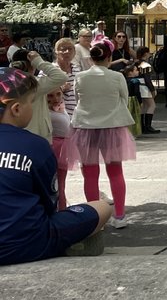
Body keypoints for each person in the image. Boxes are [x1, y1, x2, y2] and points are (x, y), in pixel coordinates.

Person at [0, 68, 112, 266]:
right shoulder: (35, 145)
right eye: (32, 102)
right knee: (102, 207)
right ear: (16, 109)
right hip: (25, 244)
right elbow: (49, 205)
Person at [69, 42, 137, 229]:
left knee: (90, 174)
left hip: (85, 127)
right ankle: (120, 216)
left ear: (91, 58)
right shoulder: (117, 76)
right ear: (109, 58)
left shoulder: (81, 77)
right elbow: (124, 97)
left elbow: (77, 99)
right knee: (115, 172)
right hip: (112, 126)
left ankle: (94, 218)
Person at [6, 48, 68, 144]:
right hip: (37, 136)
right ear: (32, 65)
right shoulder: (34, 85)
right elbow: (61, 77)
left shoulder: (6, 83)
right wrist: (39, 61)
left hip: (15, 134)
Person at [133, 46, 160, 133]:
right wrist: (152, 89)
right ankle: (148, 126)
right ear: (145, 54)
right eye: (148, 52)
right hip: (144, 87)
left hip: (138, 86)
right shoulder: (145, 65)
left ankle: (142, 126)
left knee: (144, 106)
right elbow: (147, 79)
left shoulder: (136, 63)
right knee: (152, 105)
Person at [53, 38, 81, 118]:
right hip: (57, 117)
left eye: (70, 49)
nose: (67, 52)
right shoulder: (49, 70)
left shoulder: (77, 70)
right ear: (56, 52)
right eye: (63, 49)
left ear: (74, 52)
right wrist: (61, 89)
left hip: (76, 117)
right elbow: (41, 94)